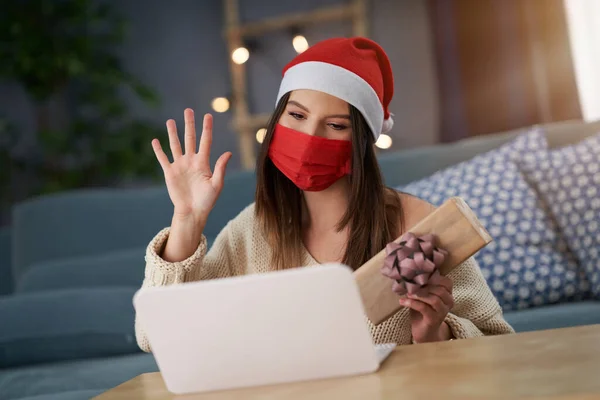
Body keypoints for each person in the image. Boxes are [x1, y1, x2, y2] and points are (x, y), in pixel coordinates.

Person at [135, 37, 514, 353]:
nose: (310, 138)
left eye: (335, 125)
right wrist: (186, 219)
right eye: (296, 116)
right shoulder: (251, 231)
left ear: (361, 143)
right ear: (277, 119)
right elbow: (155, 336)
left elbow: (499, 348)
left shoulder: (419, 228)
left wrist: (436, 333)